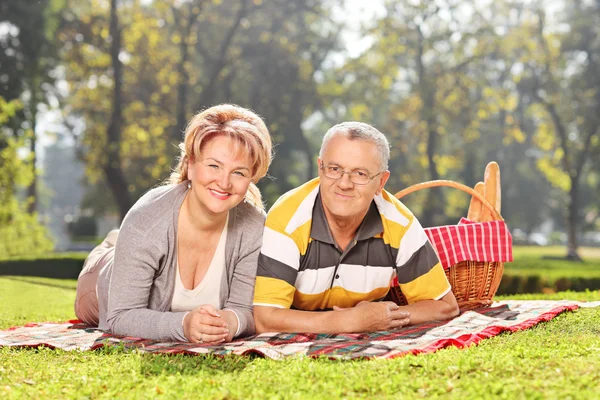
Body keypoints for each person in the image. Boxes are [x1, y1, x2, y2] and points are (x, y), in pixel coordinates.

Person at [74, 104, 272, 343]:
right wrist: (183, 325)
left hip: (140, 241)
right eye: (214, 166)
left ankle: (118, 240)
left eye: (239, 173)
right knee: (89, 302)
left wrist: (231, 321)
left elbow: (246, 309)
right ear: (189, 165)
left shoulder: (254, 226)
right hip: (99, 283)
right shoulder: (146, 220)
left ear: (251, 178)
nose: (224, 182)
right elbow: (119, 316)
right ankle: (111, 245)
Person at [253, 121, 459, 334]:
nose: (344, 183)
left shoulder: (399, 223)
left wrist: (384, 317)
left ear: (381, 182)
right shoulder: (287, 219)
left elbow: (445, 305)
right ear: (320, 168)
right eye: (334, 169)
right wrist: (350, 321)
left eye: (360, 173)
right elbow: (265, 319)